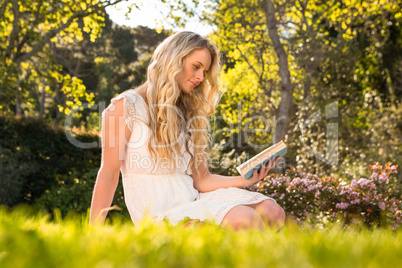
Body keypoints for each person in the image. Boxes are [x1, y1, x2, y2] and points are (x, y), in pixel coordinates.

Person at [89, 31, 285, 230]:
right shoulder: (125, 107)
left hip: (194, 201)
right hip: (160, 215)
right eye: (196, 67)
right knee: (246, 218)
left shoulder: (188, 112)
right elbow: (109, 173)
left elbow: (201, 179)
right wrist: (93, 232)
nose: (200, 77)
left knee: (272, 211)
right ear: (173, 60)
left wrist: (244, 180)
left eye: (205, 72)